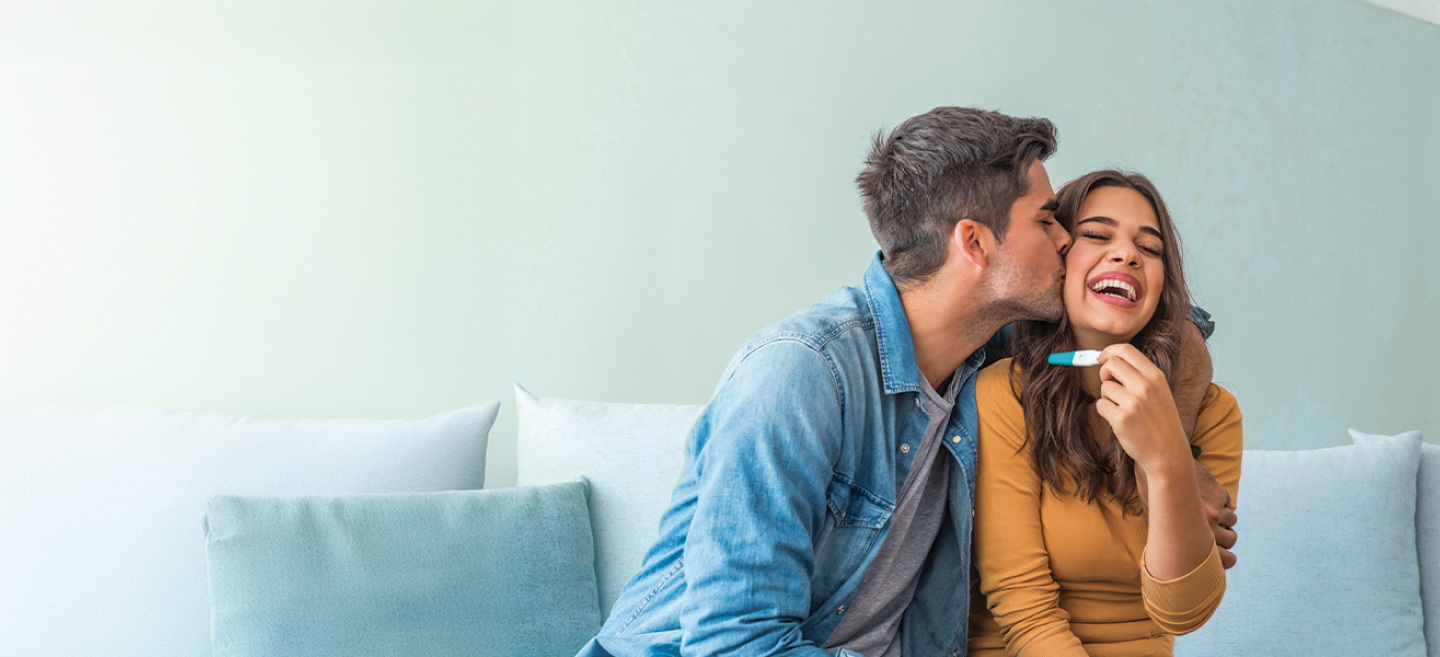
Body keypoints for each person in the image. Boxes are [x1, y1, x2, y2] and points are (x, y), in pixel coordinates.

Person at [575, 108, 1233, 657]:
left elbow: (1177, 326)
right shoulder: (800, 377)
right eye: (1046, 221)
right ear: (974, 244)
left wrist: (1170, 458)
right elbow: (735, 643)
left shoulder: (984, 352)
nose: (1066, 240)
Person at [967, 170, 1243, 657]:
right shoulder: (1003, 393)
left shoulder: (1215, 414)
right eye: (1096, 235)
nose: (1128, 254)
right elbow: (1024, 613)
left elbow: (1185, 611)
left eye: (1151, 249)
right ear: (1057, 259)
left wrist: (1166, 458)